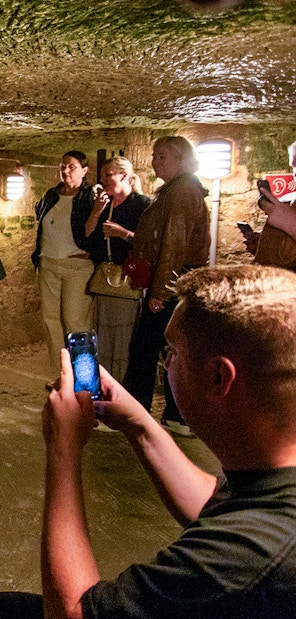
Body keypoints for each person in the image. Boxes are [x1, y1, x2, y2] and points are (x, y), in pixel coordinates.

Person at [0, 264, 296, 619]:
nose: (164, 363)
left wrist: (62, 446)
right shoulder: (276, 482)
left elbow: (73, 612)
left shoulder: (243, 561)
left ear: (218, 376)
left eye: (172, 353)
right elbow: (217, 503)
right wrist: (140, 426)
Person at [123, 136, 210, 436]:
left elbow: (173, 244)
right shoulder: (177, 189)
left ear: (181, 160)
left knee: (146, 349)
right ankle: (176, 416)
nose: (154, 162)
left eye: (162, 157)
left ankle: (134, 414)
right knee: (171, 350)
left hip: (174, 283)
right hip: (177, 281)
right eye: (154, 156)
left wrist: (160, 292)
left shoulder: (182, 190)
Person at [85, 156, 150, 382]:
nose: (103, 180)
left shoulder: (142, 204)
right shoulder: (104, 204)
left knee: (122, 336)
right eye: (102, 176)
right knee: (101, 334)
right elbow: (87, 236)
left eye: (108, 175)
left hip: (127, 280)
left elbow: (150, 243)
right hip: (104, 278)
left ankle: (120, 385)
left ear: (124, 176)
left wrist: (123, 233)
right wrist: (96, 210)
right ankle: (102, 382)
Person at [32, 151, 95, 375]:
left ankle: (84, 379)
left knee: (75, 321)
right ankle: (60, 374)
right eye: (63, 166)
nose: (66, 170)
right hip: (48, 264)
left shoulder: (88, 197)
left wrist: (91, 252)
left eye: (72, 166)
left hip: (76, 267)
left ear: (84, 171)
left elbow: (96, 231)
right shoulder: (51, 195)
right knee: (51, 320)